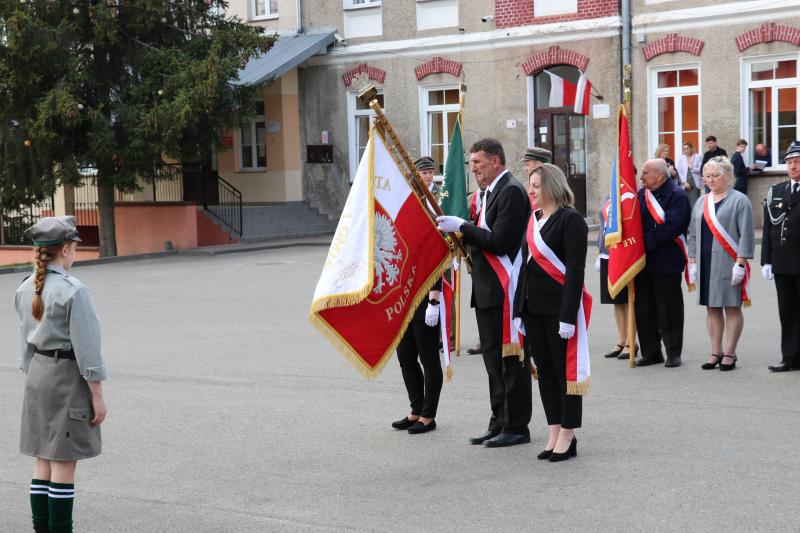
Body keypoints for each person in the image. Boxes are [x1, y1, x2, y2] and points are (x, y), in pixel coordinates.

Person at [436, 138, 532, 448]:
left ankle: (517, 426)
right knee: (493, 362)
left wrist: (463, 226)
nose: (473, 168)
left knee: (511, 362)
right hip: (488, 290)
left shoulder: (511, 191)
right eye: (472, 163)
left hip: (505, 290)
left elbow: (501, 242)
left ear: (495, 161)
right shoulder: (490, 193)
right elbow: (483, 240)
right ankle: (499, 421)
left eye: (478, 162)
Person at [15, 216, 108, 533]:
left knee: (43, 458)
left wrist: (34, 375)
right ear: (66, 249)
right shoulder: (74, 291)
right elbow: (88, 350)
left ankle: (41, 529)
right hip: (67, 377)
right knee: (64, 461)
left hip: (37, 375)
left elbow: (25, 343)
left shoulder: (25, 287)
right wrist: (97, 395)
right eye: (74, 248)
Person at [515, 163, 589, 462]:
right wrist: (519, 308)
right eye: (530, 185)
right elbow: (524, 268)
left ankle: (568, 433)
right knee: (544, 371)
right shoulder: (533, 219)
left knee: (564, 373)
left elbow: (575, 271)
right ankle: (553, 429)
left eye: (536, 185)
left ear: (552, 186)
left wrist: (568, 316)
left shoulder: (571, 220)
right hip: (533, 308)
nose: (531, 190)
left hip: (559, 310)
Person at [687, 156, 755, 371]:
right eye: (707, 176)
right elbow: (693, 234)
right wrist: (692, 261)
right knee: (712, 307)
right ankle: (715, 351)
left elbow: (746, 234)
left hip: (729, 261)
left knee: (732, 307)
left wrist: (741, 263)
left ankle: (730, 352)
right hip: (705, 262)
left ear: (728, 176)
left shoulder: (740, 200)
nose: (710, 180)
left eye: (715, 175)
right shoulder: (701, 201)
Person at [392, 156, 443, 434]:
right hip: (403, 296)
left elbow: (437, 255)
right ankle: (415, 409)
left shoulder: (429, 215)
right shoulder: (402, 217)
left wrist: (434, 297)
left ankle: (428, 415)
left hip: (425, 293)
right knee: (406, 356)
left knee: (428, 357)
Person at [634, 159, 692, 368]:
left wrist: (644, 242)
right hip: (642, 261)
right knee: (644, 309)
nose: (641, 177)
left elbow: (673, 226)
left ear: (660, 176)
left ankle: (673, 352)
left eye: (645, 173)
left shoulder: (677, 196)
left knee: (669, 309)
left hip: (667, 260)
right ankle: (651, 352)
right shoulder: (642, 195)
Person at [762, 140, 800, 372]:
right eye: (789, 162)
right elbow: (769, 228)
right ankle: (790, 357)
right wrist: (766, 260)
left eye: (797, 161)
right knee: (787, 312)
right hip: (783, 263)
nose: (793, 166)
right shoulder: (776, 191)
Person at [595, 193, 635, 360]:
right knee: (616, 300)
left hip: (623, 253)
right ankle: (621, 339)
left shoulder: (630, 194)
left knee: (627, 300)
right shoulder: (609, 195)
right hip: (607, 253)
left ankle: (630, 342)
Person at [677, 142, 703, 207]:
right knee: (685, 202)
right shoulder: (681, 158)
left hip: (695, 182)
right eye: (684, 149)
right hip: (685, 183)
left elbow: (701, 170)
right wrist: (684, 182)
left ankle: (695, 213)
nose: (686, 150)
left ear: (691, 148)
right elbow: (679, 171)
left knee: (695, 202)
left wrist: (692, 167)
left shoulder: (698, 157)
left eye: (687, 149)